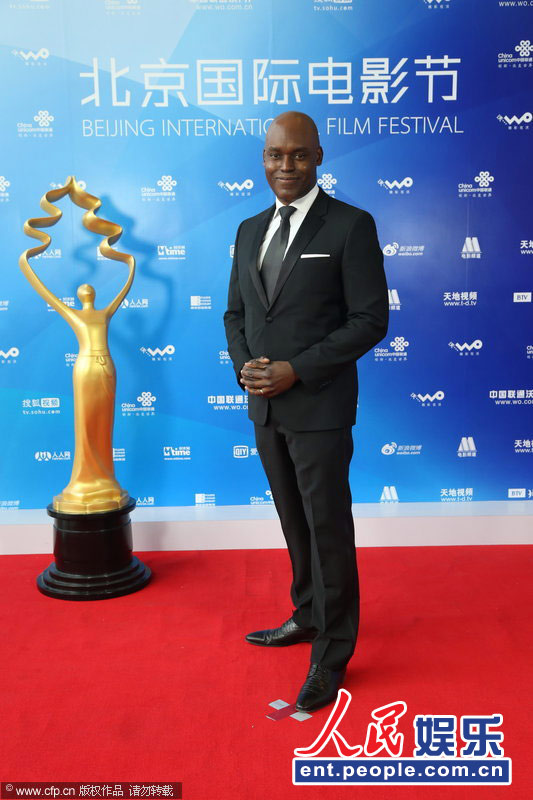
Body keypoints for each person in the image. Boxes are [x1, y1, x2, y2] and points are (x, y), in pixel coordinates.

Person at [223, 111, 388, 712]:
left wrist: (297, 369)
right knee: (294, 522)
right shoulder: (249, 229)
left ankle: (332, 654)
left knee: (327, 529)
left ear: (318, 156)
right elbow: (236, 314)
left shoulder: (350, 225)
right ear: (263, 159)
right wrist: (247, 368)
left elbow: (370, 319)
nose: (285, 166)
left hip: (320, 407)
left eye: (297, 154)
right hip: (265, 409)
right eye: (275, 155)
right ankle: (308, 614)